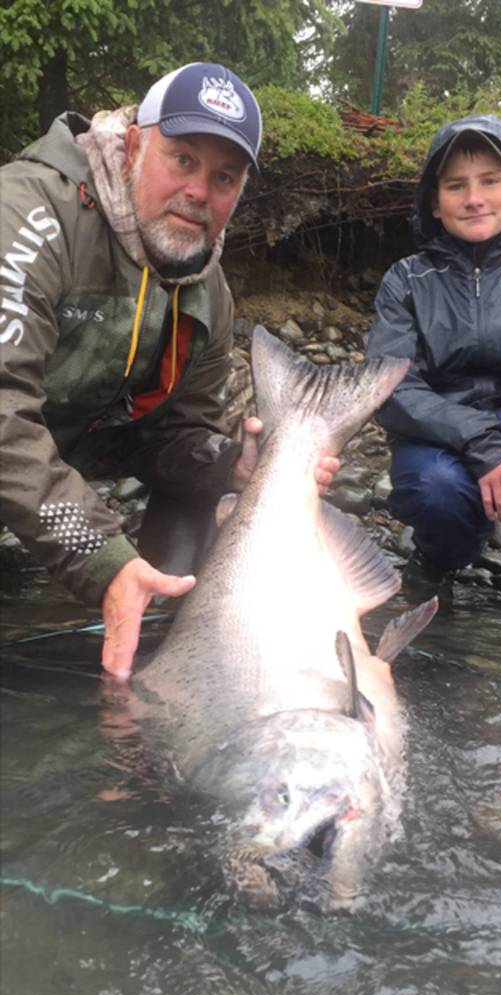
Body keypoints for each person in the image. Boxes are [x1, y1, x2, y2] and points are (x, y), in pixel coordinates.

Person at [0, 62, 338, 677]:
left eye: (224, 176)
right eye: (182, 159)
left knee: (204, 478)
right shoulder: (29, 214)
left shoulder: (209, 290)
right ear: (134, 145)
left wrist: (227, 461)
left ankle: (152, 637)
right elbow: (3, 415)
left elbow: (175, 434)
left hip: (76, 439)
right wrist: (99, 554)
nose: (199, 192)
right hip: (17, 427)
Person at [366, 114, 501, 627]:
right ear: (434, 203)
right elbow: (390, 386)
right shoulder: (406, 280)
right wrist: (484, 445)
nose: (474, 198)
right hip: (446, 438)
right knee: (435, 491)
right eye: (456, 185)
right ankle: (442, 555)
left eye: (490, 181)